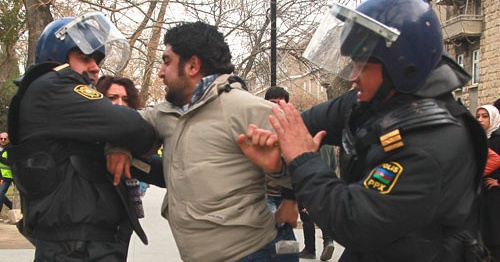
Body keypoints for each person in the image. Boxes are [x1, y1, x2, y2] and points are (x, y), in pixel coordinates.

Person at [239, 0, 489, 261]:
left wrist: (302, 159)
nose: (353, 76)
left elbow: (354, 221)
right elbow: (306, 124)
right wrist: (279, 152)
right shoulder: (374, 100)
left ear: (403, 67)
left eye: (363, 66)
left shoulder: (434, 145)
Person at [108, 21, 298, 261]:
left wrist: (286, 188)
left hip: (253, 254)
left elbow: (306, 166)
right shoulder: (164, 112)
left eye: (167, 61)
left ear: (193, 65)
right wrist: (120, 146)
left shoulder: (247, 108)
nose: (160, 72)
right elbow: (129, 126)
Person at [7, 12, 156, 261]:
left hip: (85, 244)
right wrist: (126, 136)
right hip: (74, 248)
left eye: (97, 59)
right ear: (57, 57)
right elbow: (131, 126)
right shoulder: (53, 87)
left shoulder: (65, 107)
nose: (96, 67)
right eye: (85, 58)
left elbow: (119, 152)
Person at [263, 86, 298, 242]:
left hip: (286, 193)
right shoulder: (259, 125)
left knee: (284, 234)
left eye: (280, 103)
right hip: (265, 192)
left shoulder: (293, 128)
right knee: (270, 231)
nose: (276, 107)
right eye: (272, 102)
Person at [476, 104, 500, 260]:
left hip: (495, 197)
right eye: (478, 116)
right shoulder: (485, 138)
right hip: (485, 196)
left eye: (485, 116)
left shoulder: (497, 140)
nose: (480, 120)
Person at [0, 132, 13, 219]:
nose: (3, 140)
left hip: (8, 176)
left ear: (8, 139)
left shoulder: (10, 149)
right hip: (1, 175)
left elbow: (9, 162)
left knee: (0, 193)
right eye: (1, 138)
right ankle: (11, 206)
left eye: (5, 139)